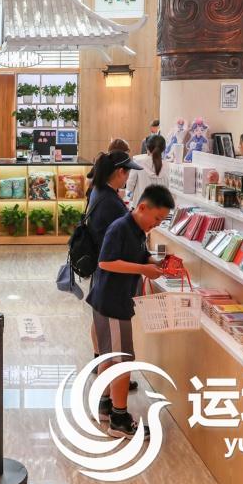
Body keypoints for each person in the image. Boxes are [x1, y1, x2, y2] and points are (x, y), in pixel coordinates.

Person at [90, 184, 176, 437]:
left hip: (111, 301)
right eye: (156, 218)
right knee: (123, 361)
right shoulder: (120, 228)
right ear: (142, 208)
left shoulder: (137, 230)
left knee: (109, 357)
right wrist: (142, 269)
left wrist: (153, 263)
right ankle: (119, 419)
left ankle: (104, 405)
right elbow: (105, 262)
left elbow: (138, 255)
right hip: (112, 303)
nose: (157, 224)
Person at [85, 151, 143, 387]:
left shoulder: (99, 191)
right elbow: (120, 243)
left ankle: (103, 375)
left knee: (104, 334)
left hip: (101, 277)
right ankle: (113, 399)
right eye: (127, 173)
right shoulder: (110, 203)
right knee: (118, 352)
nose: (128, 178)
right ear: (120, 172)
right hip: (112, 281)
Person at [126, 134, 166, 208]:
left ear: (147, 147)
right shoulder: (168, 165)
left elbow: (130, 184)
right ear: (163, 149)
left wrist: (129, 198)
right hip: (160, 206)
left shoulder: (138, 162)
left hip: (141, 205)